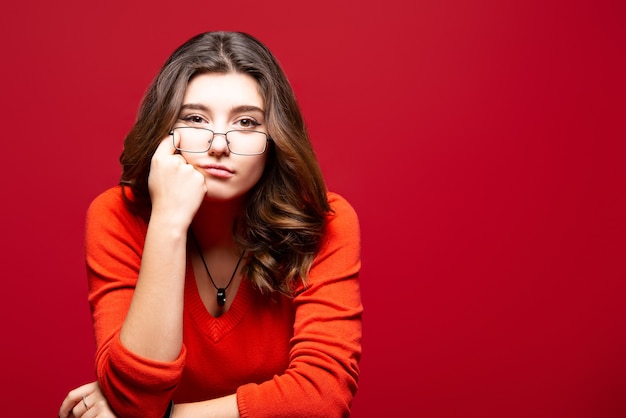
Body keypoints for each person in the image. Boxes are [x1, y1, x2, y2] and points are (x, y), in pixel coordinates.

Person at [58, 31, 362, 418]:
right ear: (166, 129)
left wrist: (168, 417)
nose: (219, 144)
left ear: (274, 138)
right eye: (196, 118)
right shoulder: (117, 216)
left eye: (246, 122)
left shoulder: (325, 223)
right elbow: (136, 397)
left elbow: (322, 398)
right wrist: (168, 221)